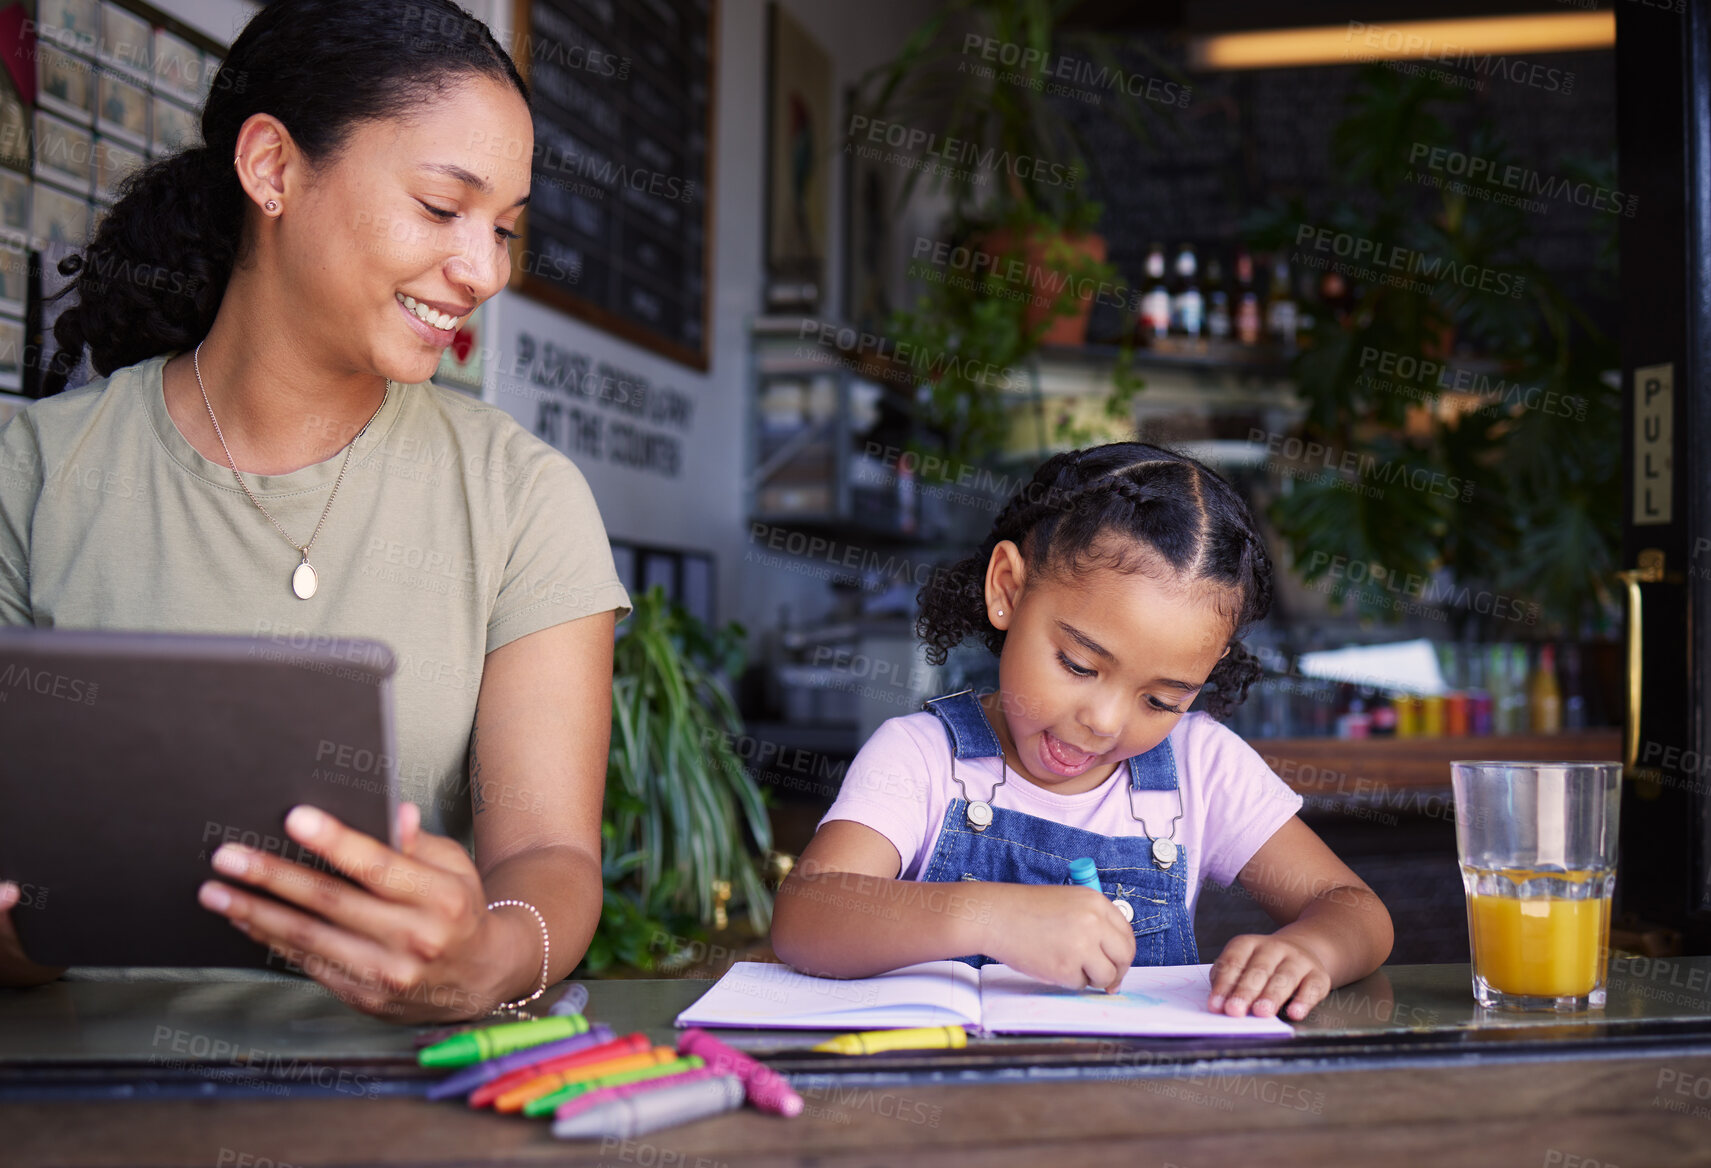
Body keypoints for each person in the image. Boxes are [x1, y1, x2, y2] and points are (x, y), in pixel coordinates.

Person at [0, 0, 630, 1022]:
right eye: (441, 207)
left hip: (391, 1092)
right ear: (273, 170)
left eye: (505, 227)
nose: (484, 270)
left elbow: (549, 857)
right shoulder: (29, 475)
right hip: (76, 1097)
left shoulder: (523, 499)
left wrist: (496, 950)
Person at [771, 443, 1392, 1020]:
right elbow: (808, 914)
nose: (1105, 720)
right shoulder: (924, 758)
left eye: (1159, 699)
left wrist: (1312, 950)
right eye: (1078, 665)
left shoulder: (1201, 767)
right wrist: (990, 916)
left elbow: (1353, 907)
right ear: (1007, 589)